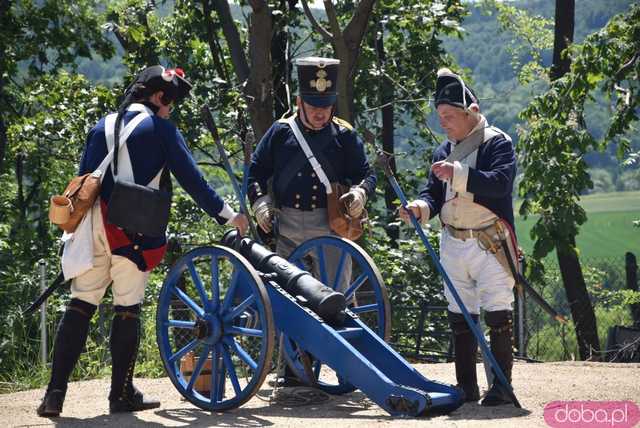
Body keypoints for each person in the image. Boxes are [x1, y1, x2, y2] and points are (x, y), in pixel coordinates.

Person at [37, 65, 248, 417]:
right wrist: (228, 215)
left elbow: (85, 181)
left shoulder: (100, 126)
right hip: (134, 231)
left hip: (93, 229)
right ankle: (120, 395)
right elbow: (193, 181)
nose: (170, 110)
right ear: (159, 97)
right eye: (170, 103)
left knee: (81, 304)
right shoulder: (162, 129)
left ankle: (54, 396)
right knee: (127, 309)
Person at [247, 56, 376, 386]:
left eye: (327, 105)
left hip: (330, 224)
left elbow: (366, 174)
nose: (321, 112)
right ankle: (293, 371)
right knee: (292, 296)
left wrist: (360, 195)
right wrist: (261, 204)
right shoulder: (280, 133)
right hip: (288, 221)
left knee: (339, 295)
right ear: (299, 102)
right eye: (314, 104)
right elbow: (257, 172)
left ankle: (350, 370)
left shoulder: (344, 136)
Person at [399, 68, 517, 406]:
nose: (444, 123)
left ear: (472, 114)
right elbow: (433, 194)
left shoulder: (498, 143)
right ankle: (466, 388)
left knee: (498, 313)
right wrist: (420, 208)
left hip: (489, 241)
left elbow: (499, 183)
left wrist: (459, 173)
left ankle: (502, 388)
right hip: (452, 241)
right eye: (441, 116)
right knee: (460, 316)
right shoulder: (442, 151)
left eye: (449, 116)